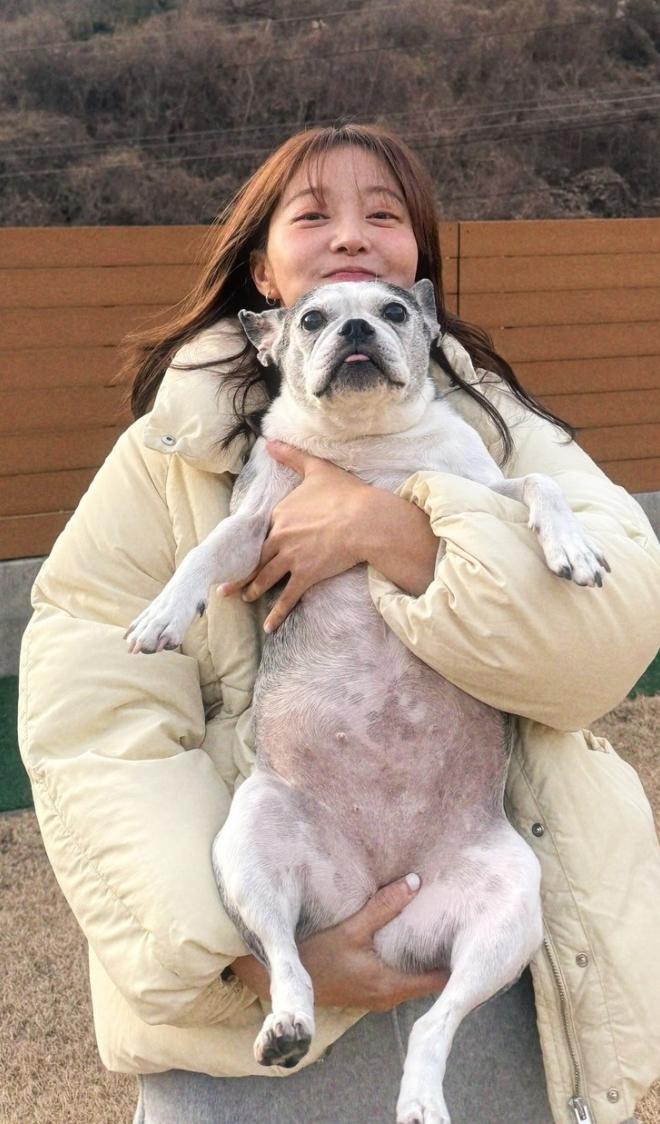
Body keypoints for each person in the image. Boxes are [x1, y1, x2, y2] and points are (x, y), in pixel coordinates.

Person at [18, 124, 660, 1124]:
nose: (353, 236)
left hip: (486, 975)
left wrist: (394, 533)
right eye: (314, 216)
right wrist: (243, 954)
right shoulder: (165, 459)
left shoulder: (500, 428)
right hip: (262, 999)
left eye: (386, 217)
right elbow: (94, 729)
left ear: (420, 289)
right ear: (264, 283)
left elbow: (612, 632)